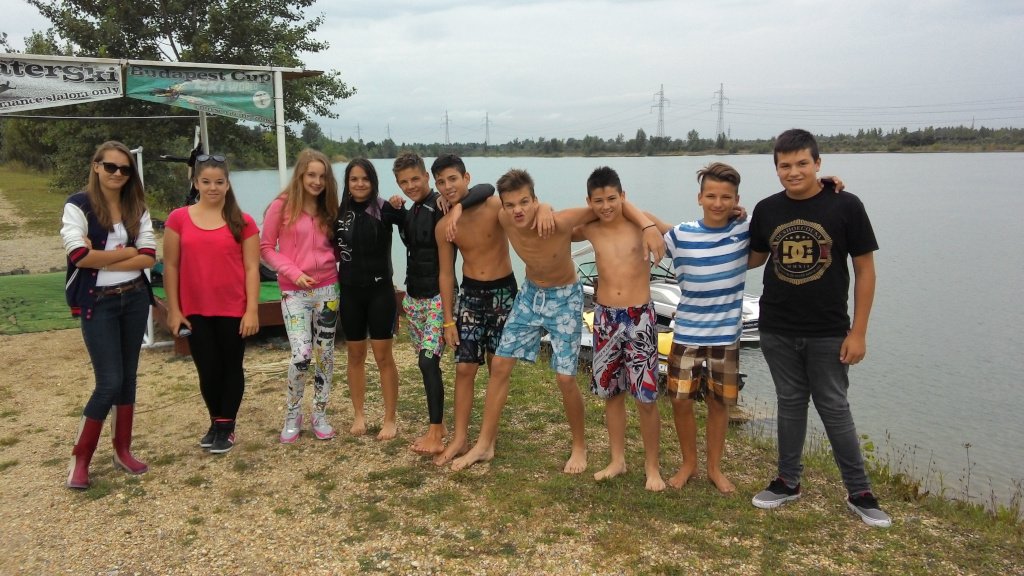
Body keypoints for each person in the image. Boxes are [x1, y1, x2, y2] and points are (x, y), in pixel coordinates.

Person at [748, 128, 891, 528]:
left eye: (802, 164)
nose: (793, 172)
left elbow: (865, 270)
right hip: (776, 327)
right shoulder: (766, 209)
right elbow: (754, 258)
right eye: (785, 165)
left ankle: (860, 492)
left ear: (818, 163)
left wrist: (858, 332)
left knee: (834, 407)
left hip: (829, 330)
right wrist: (728, 219)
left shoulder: (846, 205)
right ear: (776, 168)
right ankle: (787, 481)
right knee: (790, 403)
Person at [62, 141, 157, 489]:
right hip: (97, 302)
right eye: (111, 166)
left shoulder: (137, 207)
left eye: (125, 169)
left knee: (128, 378)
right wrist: (128, 252)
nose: (118, 173)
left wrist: (102, 257)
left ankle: (122, 450)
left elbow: (149, 256)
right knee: (109, 382)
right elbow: (78, 257)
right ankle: (80, 459)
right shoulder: (78, 205)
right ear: (96, 166)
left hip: (134, 298)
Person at [391, 152, 494, 455]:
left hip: (439, 297)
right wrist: (395, 206)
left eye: (415, 179)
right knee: (428, 364)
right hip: (414, 298)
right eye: (403, 182)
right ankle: (440, 426)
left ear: (427, 177)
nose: (410, 186)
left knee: (427, 361)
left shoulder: (442, 204)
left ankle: (436, 432)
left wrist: (457, 205)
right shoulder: (411, 210)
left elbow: (485, 189)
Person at [573, 166, 668, 491]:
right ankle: (617, 460)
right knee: (611, 394)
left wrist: (730, 219)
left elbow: (683, 233)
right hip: (605, 319)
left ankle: (652, 467)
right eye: (598, 200)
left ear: (623, 196)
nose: (606, 206)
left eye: (612, 199)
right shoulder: (590, 228)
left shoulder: (643, 223)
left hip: (639, 318)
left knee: (646, 398)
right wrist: (542, 211)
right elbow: (556, 228)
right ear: (589, 202)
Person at [432, 154, 530, 467]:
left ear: (466, 178)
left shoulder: (494, 207)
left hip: (503, 293)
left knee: (496, 367)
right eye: (441, 182)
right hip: (471, 296)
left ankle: (487, 440)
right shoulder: (444, 226)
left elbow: (494, 190)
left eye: (453, 179)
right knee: (464, 368)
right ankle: (460, 438)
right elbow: (445, 274)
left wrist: (460, 205)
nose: (447, 186)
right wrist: (448, 320)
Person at [657, 162, 748, 495]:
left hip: (726, 336)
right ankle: (689, 463)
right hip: (687, 333)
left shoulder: (745, 229)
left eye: (726, 197)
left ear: (736, 200)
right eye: (711, 196)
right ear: (699, 198)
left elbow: (786, 210)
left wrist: (829, 183)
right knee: (680, 400)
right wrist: (644, 225)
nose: (718, 203)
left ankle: (714, 468)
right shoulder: (681, 235)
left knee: (719, 403)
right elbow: (643, 219)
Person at [163, 153, 260, 455]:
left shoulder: (243, 222)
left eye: (219, 182)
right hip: (195, 309)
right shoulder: (178, 219)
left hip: (233, 308)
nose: (213, 188)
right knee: (207, 369)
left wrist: (252, 310)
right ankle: (215, 420)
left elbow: (252, 268)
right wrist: (174, 310)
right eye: (206, 182)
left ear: (228, 184)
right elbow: (170, 266)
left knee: (231, 366)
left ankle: (226, 425)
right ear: (196, 183)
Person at [260, 149, 340, 443]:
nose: (317, 181)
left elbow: (340, 245)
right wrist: (293, 272)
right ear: (300, 176)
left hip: (328, 290)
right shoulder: (281, 206)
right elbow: (266, 248)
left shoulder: (329, 207)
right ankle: (293, 412)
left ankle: (320, 412)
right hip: (294, 292)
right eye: (311, 175)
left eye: (322, 176)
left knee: (325, 354)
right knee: (302, 353)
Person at [334, 158, 403, 440]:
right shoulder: (338, 213)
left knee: (383, 356)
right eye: (354, 179)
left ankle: (390, 418)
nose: (360, 184)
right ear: (347, 183)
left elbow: (414, 227)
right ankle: (359, 415)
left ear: (373, 182)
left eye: (365, 179)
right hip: (350, 292)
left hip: (380, 292)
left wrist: (401, 203)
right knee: (355, 355)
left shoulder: (384, 208)